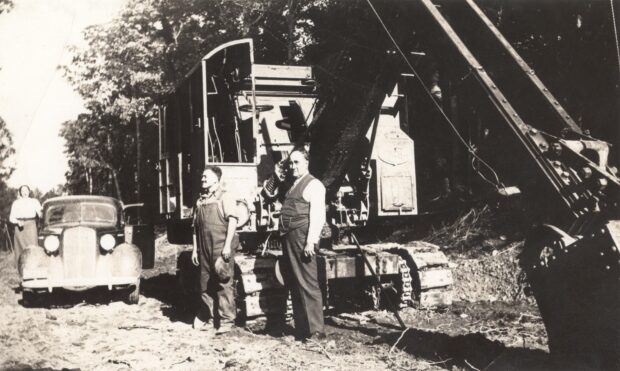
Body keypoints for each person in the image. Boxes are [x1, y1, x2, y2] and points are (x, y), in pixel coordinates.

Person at [278, 147, 326, 341]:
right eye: (290, 163)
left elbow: (317, 216)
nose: (293, 166)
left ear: (307, 162)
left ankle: (317, 332)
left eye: (297, 162)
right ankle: (302, 330)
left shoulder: (314, 185)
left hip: (302, 237)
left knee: (308, 283)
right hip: (289, 238)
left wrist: (310, 242)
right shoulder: (292, 185)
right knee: (295, 284)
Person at [191, 165, 239, 334]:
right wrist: (195, 249)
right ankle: (211, 317)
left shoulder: (225, 197)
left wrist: (227, 246)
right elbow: (195, 228)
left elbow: (233, 221)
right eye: (202, 176)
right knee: (204, 283)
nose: (203, 179)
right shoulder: (200, 200)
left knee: (223, 282)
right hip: (203, 247)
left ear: (216, 179)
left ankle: (227, 321)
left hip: (220, 246)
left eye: (206, 176)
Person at [9, 185, 42, 268]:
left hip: (31, 225)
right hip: (19, 227)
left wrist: (41, 213)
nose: (25, 192)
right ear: (20, 192)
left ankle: (35, 267)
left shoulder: (34, 201)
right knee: (20, 248)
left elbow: (40, 213)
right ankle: (21, 269)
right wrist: (17, 221)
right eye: (23, 190)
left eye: (26, 190)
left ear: (29, 191)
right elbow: (11, 218)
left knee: (33, 246)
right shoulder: (16, 203)